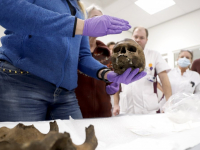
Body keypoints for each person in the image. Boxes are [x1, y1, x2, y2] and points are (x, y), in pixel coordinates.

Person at [0, 0, 147, 121]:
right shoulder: (80, 20)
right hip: (22, 83)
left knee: (80, 142)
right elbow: (6, 8)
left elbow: (83, 56)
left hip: (65, 94)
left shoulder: (79, 9)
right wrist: (80, 25)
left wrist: (107, 74)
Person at [118, 27, 172, 114]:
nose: (138, 40)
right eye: (136, 37)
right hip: (126, 108)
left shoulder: (154, 55)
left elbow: (164, 79)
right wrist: (116, 104)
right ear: (132, 37)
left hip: (147, 109)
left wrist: (169, 103)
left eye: (142, 37)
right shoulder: (121, 56)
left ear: (146, 40)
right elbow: (117, 81)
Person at [75, 5, 116, 118]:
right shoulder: (74, 50)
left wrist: (114, 84)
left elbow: (111, 84)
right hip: (78, 113)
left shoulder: (106, 54)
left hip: (104, 113)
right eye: (95, 18)